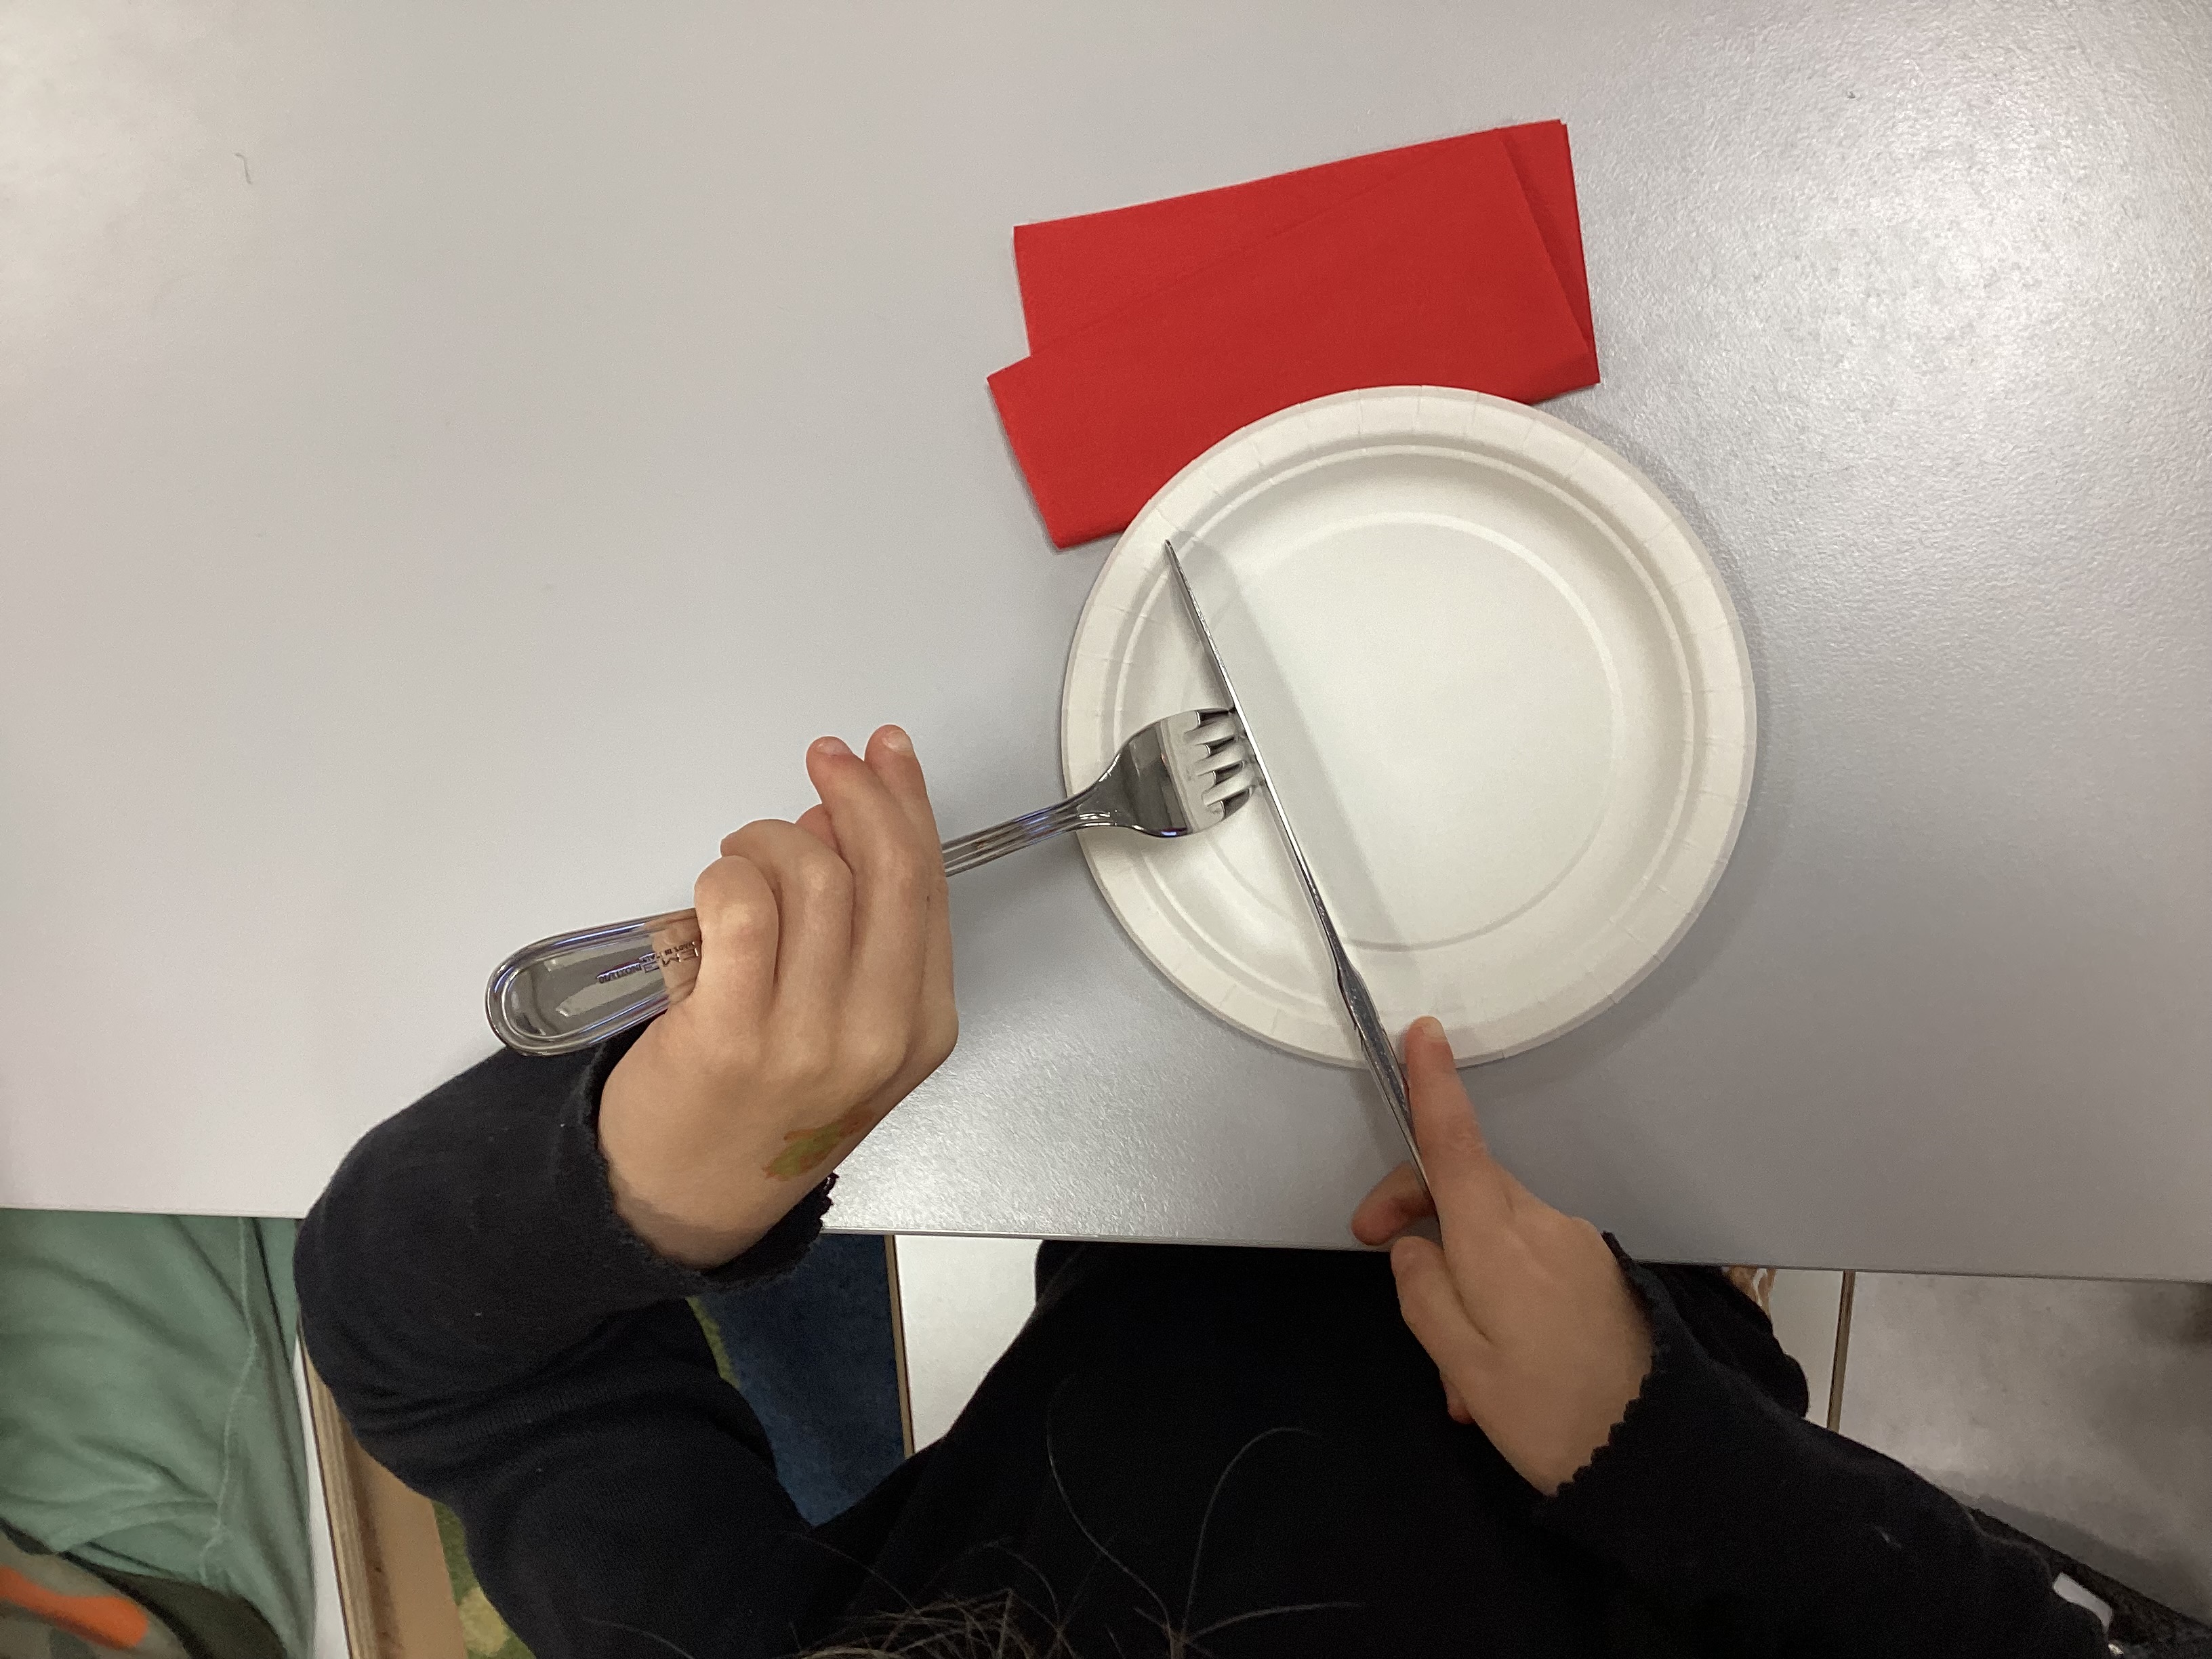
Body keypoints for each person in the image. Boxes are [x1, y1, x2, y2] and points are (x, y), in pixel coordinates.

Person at [296, 726, 2106, 1659]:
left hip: (1163, 1215)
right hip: (1647, 1278)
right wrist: (1651, 1439)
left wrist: (667, 1168)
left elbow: (414, 1347)